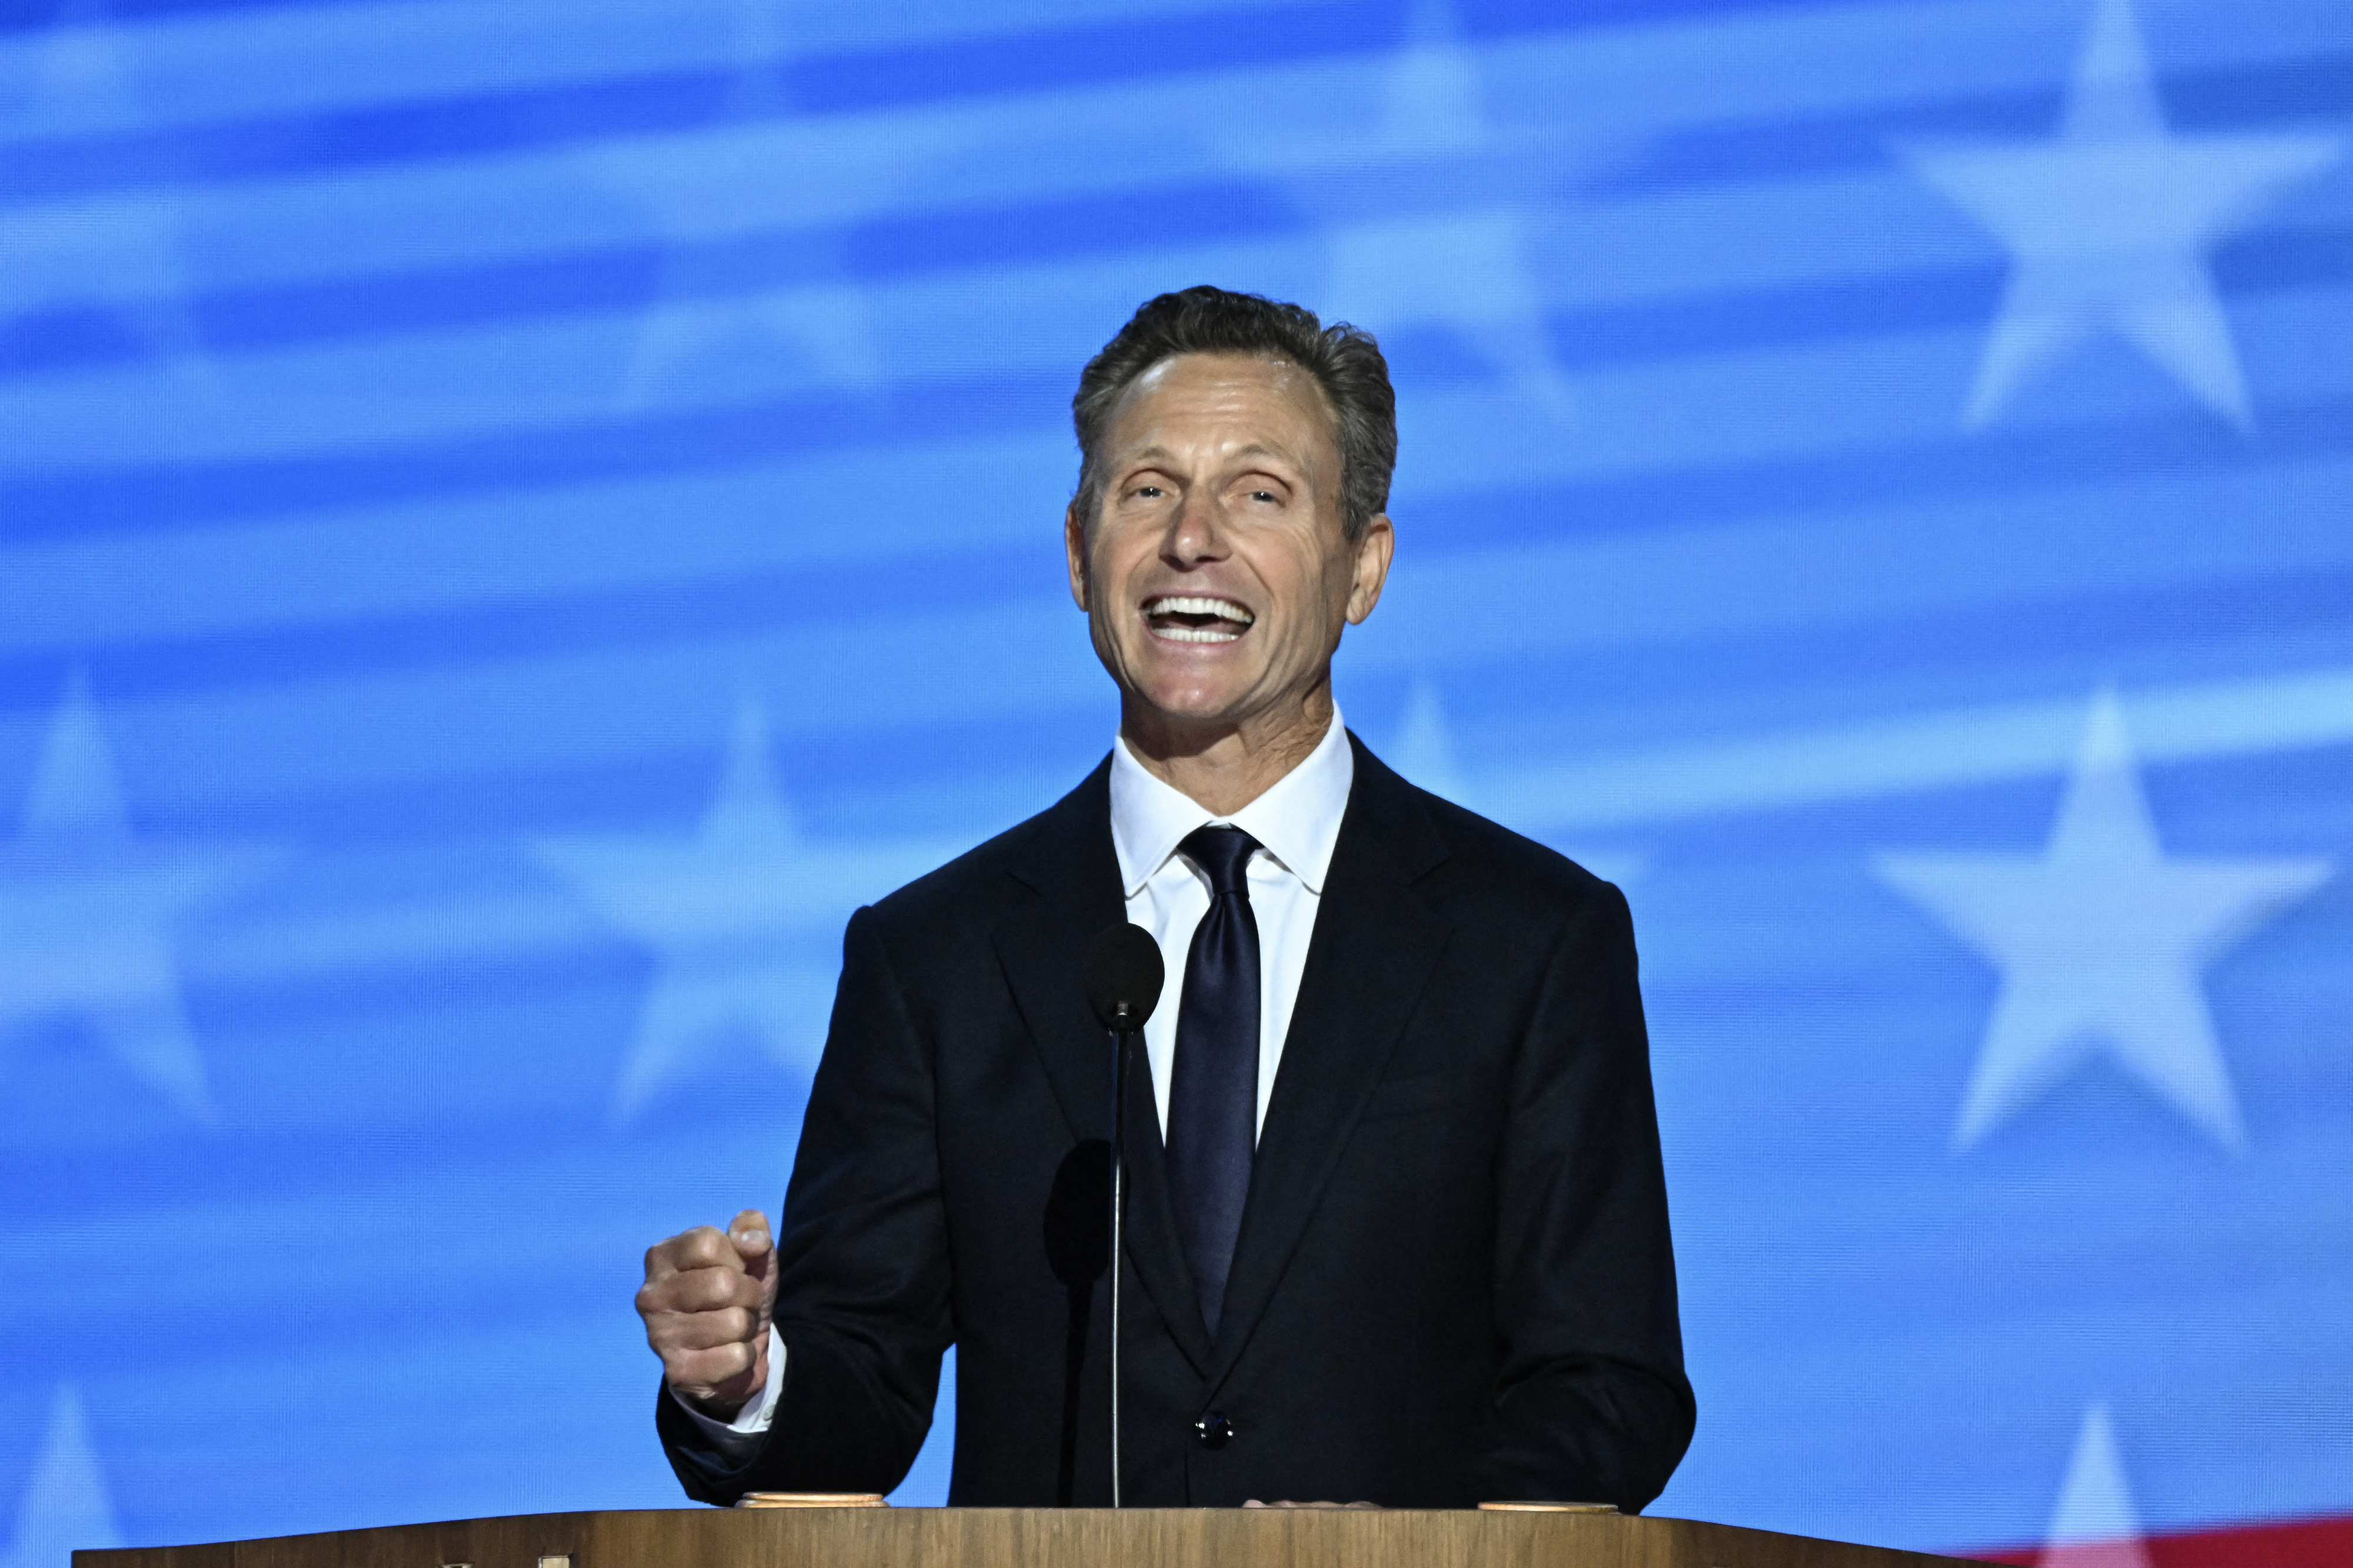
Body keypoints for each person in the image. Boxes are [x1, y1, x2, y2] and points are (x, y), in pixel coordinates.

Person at [634, 286, 1695, 1510]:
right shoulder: (934, 956)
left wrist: (1402, 1549)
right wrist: (745, 1381)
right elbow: (860, 1403)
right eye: (1146, 491)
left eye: (1259, 492)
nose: (1193, 539)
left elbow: (1606, 1384)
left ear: (1362, 564)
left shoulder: (1532, 939)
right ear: (1080, 554)